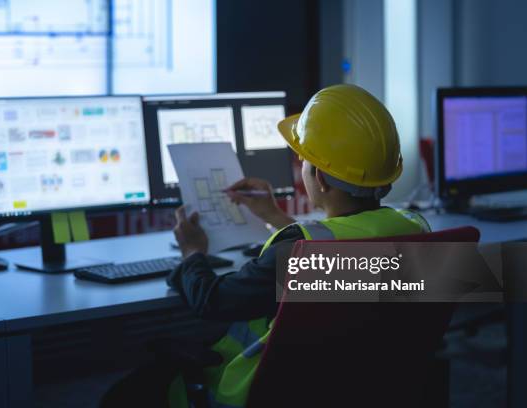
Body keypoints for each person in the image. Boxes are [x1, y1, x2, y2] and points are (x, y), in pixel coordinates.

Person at [100, 84, 430, 407]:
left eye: (303, 159)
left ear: (321, 178)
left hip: (255, 393)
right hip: (359, 391)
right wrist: (273, 215)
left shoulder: (299, 249)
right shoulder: (415, 230)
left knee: (122, 396)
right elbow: (342, 260)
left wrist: (192, 252)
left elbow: (213, 300)